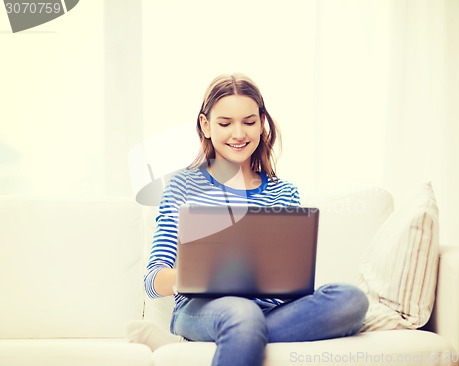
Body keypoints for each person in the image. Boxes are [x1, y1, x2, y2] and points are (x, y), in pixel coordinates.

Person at [126, 73, 369, 366]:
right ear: (205, 125)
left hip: (270, 310)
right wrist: (199, 274)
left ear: (262, 122)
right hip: (201, 308)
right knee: (243, 313)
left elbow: (290, 278)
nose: (238, 134)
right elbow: (153, 280)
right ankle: (239, 329)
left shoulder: (284, 192)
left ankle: (241, 335)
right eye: (225, 123)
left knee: (352, 299)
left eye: (249, 122)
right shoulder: (182, 186)